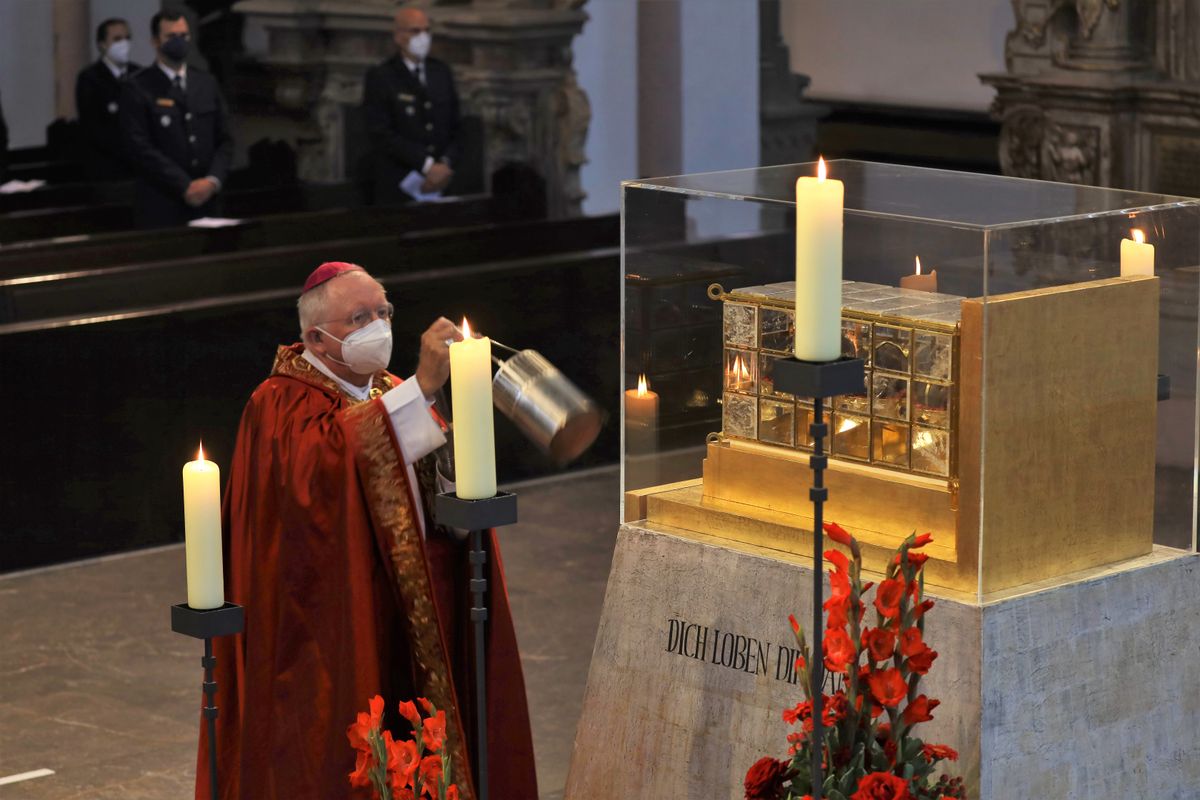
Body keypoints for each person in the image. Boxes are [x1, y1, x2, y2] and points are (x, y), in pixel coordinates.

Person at [195, 262, 538, 800]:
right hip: (328, 613)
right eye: (360, 317)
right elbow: (325, 475)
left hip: (410, 597)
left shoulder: (390, 388)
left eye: (384, 312)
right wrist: (425, 387)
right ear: (316, 337)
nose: (379, 325)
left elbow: (424, 470)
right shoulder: (280, 403)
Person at [120, 9, 232, 228]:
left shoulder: (205, 83)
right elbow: (138, 146)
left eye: (184, 36)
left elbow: (225, 140)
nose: (179, 42)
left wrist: (212, 181)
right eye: (171, 36)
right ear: (155, 41)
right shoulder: (138, 87)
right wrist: (184, 185)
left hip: (208, 202)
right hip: (161, 204)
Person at [362, 5, 461, 204]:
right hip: (399, 182)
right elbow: (380, 132)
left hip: (442, 181)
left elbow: (456, 126)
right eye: (415, 31)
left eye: (427, 30)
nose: (423, 37)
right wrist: (426, 166)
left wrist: (444, 164)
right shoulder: (382, 76)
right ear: (398, 36)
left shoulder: (441, 72)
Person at [76, 18, 141, 181]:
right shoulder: (90, 79)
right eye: (117, 39)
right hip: (107, 169)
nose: (124, 44)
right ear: (103, 44)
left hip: (141, 167)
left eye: (127, 38)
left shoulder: (140, 74)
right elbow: (93, 127)